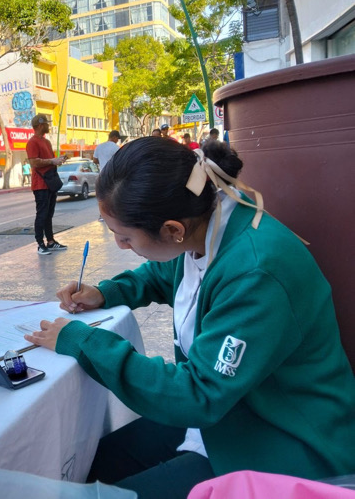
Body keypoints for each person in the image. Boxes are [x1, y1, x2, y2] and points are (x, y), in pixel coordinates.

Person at [25, 137, 355, 498]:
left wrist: (83, 340)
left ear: (172, 230)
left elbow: (197, 394)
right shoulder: (208, 222)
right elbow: (168, 274)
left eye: (125, 237)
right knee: (94, 461)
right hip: (232, 415)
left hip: (284, 445)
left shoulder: (255, 273)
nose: (121, 246)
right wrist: (108, 292)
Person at [25, 114, 67, 255]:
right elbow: (34, 162)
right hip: (40, 184)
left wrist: (58, 160)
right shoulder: (32, 142)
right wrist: (51, 161)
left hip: (50, 182)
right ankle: (40, 244)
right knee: (42, 214)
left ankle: (50, 241)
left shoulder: (47, 142)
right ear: (40, 125)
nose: (49, 126)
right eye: (47, 123)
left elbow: (49, 160)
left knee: (49, 214)